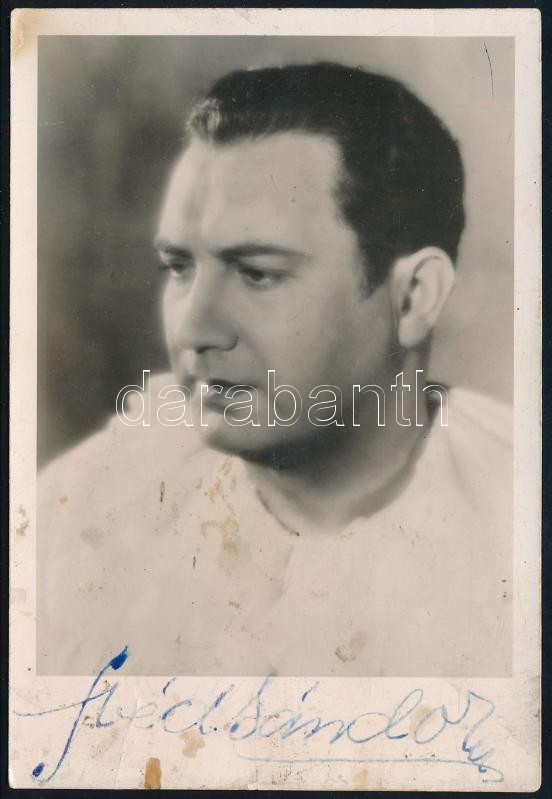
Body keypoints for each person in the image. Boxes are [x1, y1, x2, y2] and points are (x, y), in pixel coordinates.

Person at [38, 62, 512, 677]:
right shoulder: (77, 516)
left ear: (415, 296)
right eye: (179, 267)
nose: (193, 331)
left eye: (257, 274)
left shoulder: (518, 520)